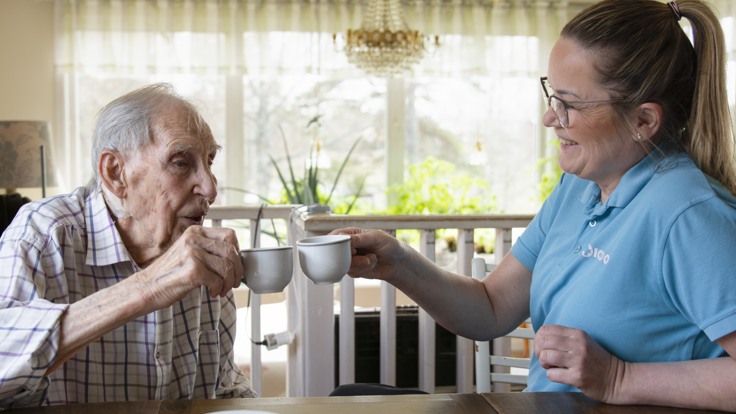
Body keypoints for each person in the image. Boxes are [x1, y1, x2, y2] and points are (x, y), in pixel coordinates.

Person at [333, 0, 736, 411]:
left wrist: (620, 378)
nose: (549, 117)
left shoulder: (690, 216)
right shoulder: (577, 189)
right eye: (551, 94)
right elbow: (491, 308)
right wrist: (397, 263)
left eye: (570, 103)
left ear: (643, 121)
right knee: (346, 397)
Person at [0, 83, 257, 408]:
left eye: (209, 161)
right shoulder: (44, 235)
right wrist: (149, 286)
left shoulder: (201, 258)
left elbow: (225, 387)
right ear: (115, 173)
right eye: (181, 162)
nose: (210, 188)